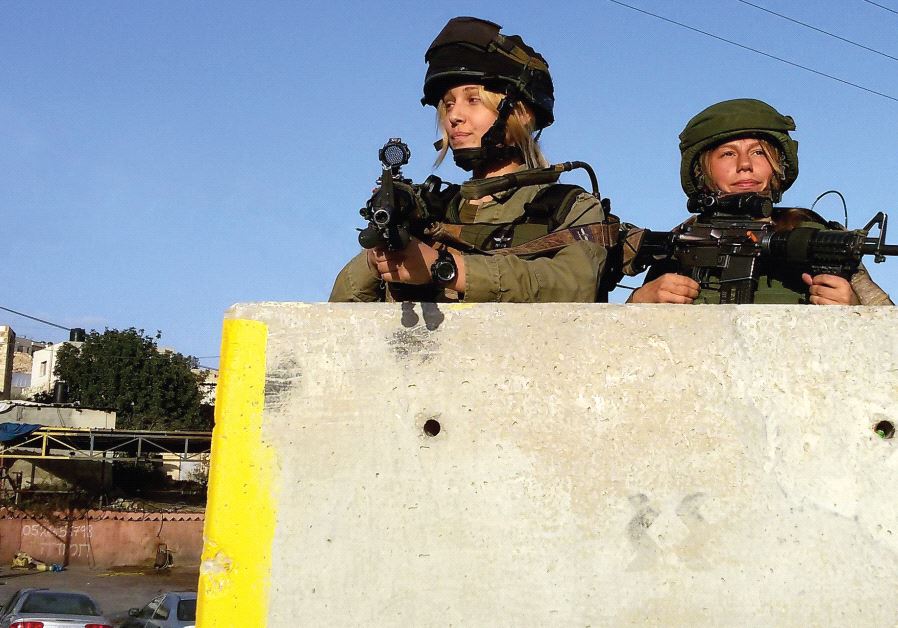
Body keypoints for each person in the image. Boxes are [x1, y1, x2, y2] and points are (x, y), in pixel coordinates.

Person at [330, 17, 608, 303]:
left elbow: (575, 284)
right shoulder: (435, 210)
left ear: (522, 113)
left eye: (473, 100)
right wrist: (377, 259)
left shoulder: (570, 207)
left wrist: (445, 269)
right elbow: (336, 318)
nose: (454, 116)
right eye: (449, 104)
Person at [628, 98, 892, 305]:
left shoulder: (817, 239)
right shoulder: (682, 243)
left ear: (779, 165)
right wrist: (639, 302)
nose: (745, 165)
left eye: (758, 152)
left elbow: (887, 331)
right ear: (702, 172)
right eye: (728, 154)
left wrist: (853, 308)